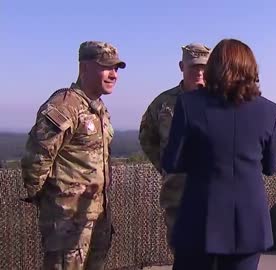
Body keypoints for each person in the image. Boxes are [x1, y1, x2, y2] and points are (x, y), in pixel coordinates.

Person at [162, 39, 276, 270]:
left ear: (213, 68)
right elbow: (270, 166)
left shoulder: (188, 104)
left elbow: (172, 162)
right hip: (248, 224)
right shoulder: (269, 110)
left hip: (199, 219)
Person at [21, 41, 126, 269]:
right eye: (106, 67)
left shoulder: (98, 109)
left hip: (96, 218)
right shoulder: (64, 105)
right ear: (84, 68)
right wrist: (52, 203)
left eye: (116, 69)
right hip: (67, 222)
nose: (114, 75)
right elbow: (36, 158)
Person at [138, 42, 211, 247]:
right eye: (193, 66)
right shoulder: (164, 103)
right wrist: (166, 167)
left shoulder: (219, 99)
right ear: (182, 66)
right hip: (178, 194)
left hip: (214, 193)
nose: (199, 71)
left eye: (203, 66)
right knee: (183, 254)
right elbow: (147, 137)